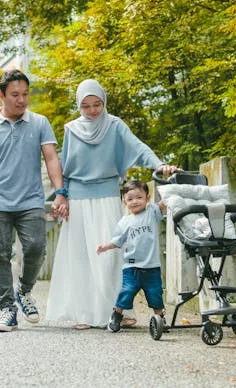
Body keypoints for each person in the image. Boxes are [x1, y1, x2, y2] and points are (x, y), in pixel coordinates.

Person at [45, 79, 176, 329]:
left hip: (107, 194)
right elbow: (65, 167)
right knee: (82, 257)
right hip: (79, 198)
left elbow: (137, 147)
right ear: (79, 106)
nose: (92, 110)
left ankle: (120, 311)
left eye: (97, 104)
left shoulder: (115, 125)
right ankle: (84, 314)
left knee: (113, 257)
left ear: (104, 102)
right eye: (86, 106)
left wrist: (159, 165)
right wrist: (62, 195)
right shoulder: (71, 128)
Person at [0, 68, 69, 332]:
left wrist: (60, 192)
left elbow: (51, 158)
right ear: (0, 95)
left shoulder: (39, 123)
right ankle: (7, 309)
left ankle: (24, 291)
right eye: (15, 95)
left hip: (30, 200)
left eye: (25, 94)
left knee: (36, 247)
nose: (22, 100)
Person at [96, 180, 166, 332]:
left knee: (155, 294)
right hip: (131, 266)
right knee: (126, 292)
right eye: (130, 199)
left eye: (139, 197)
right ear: (124, 201)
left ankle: (160, 319)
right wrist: (106, 246)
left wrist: (165, 182)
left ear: (147, 198)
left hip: (151, 267)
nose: (135, 201)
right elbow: (118, 241)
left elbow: (164, 202)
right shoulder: (124, 222)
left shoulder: (152, 212)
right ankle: (116, 315)